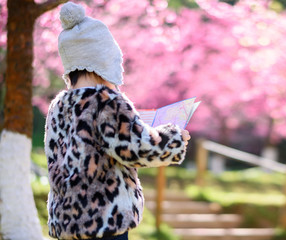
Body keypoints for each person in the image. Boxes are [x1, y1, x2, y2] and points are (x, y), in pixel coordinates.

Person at [44, 2, 190, 240]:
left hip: (67, 224)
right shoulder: (106, 100)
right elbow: (137, 148)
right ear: (103, 59)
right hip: (104, 221)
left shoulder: (58, 106)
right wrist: (173, 137)